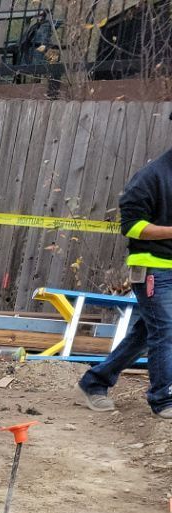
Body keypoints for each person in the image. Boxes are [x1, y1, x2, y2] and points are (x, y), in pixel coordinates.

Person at [80, 142, 172, 414]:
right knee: (166, 331)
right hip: (153, 268)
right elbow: (131, 226)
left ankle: (95, 381)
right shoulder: (152, 176)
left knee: (148, 333)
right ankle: (163, 399)